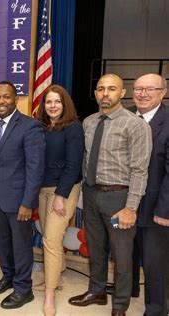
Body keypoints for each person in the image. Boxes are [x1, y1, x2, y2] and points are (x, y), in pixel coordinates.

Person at [68, 74, 152, 316]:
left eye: (111, 89)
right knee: (95, 247)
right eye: (100, 89)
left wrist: (131, 208)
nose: (105, 93)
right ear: (95, 93)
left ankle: (120, 305)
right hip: (92, 196)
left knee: (122, 253)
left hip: (119, 200)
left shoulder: (135, 125)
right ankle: (97, 291)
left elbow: (139, 170)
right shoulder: (90, 122)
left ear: (122, 93)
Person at [0, 81, 45, 309]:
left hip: (19, 201)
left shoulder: (30, 126)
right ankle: (8, 277)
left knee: (21, 246)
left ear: (16, 99)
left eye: (6, 97)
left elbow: (35, 168)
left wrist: (28, 203)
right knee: (2, 242)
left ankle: (23, 288)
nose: (1, 101)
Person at [34, 85, 84, 315]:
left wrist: (61, 196)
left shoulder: (73, 128)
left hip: (64, 189)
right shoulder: (42, 128)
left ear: (65, 104)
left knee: (52, 241)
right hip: (43, 188)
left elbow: (74, 165)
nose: (52, 106)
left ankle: (50, 293)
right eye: (48, 102)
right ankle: (58, 278)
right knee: (48, 235)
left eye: (57, 102)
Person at [130, 73, 169, 316]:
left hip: (155, 209)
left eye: (150, 89)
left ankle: (156, 310)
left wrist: (164, 211)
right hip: (124, 204)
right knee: (126, 255)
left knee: (155, 265)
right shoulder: (124, 117)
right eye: (138, 89)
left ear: (162, 93)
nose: (143, 94)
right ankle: (129, 290)